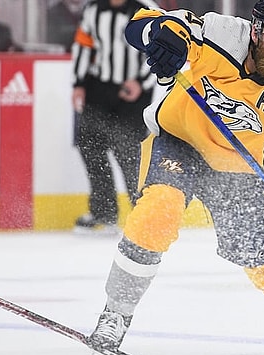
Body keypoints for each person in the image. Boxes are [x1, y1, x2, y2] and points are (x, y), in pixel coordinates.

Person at [87, 0, 264, 355]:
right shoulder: (221, 34)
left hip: (237, 169)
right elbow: (146, 24)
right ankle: (116, 314)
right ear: (256, 30)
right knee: (158, 213)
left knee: (263, 258)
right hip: (180, 144)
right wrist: (164, 39)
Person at [70, 0, 158, 233]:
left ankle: (144, 215)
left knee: (129, 153)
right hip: (99, 88)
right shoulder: (93, 9)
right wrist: (78, 84)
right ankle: (104, 211)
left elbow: (161, 50)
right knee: (91, 146)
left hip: (133, 95)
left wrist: (140, 82)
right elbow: (83, 46)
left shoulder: (147, 9)